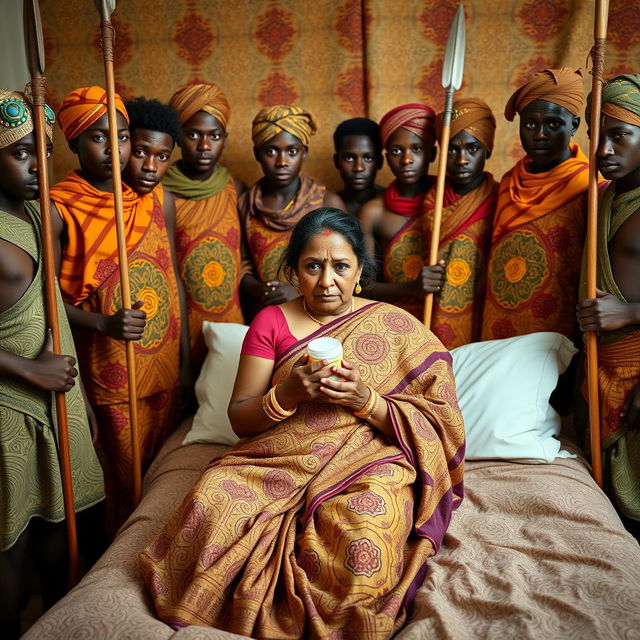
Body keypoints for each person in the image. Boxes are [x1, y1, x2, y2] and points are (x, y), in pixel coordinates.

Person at [140, 208, 464, 638]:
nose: (327, 280)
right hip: (275, 458)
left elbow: (438, 422)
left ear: (360, 272)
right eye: (313, 266)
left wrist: (366, 400)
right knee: (211, 499)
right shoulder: (271, 321)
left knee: (365, 528)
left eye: (341, 267)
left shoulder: (395, 325)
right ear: (295, 271)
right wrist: (286, 394)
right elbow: (240, 418)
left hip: (369, 461)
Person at [50, 87, 182, 533]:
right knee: (126, 483)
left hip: (163, 361)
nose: (115, 149)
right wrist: (102, 322)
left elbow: (169, 274)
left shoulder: (152, 198)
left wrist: (182, 350)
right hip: (111, 368)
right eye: (98, 137)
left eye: (122, 137)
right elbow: (46, 302)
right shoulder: (58, 209)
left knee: (164, 476)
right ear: (73, 143)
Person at [0, 89, 104, 638]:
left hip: (60, 394)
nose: (39, 164)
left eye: (44, 150)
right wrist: (29, 371)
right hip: (8, 406)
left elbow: (52, 310)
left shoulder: (47, 216)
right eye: (21, 152)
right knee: (10, 560)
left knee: (62, 541)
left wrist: (79, 392)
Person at [481, 68, 589, 341]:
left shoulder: (588, 186)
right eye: (530, 124)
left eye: (553, 124)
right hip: (498, 325)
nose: (540, 134)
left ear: (574, 125)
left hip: (555, 332)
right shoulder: (509, 182)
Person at [577, 74, 640, 534]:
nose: (603, 150)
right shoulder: (602, 198)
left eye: (619, 135)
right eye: (596, 136)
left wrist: (630, 312)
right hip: (600, 369)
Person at [163, 83, 247, 370]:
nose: (204, 146)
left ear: (225, 138)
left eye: (214, 136)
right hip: (180, 326)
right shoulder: (160, 194)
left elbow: (244, 260)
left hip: (231, 324)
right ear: (178, 138)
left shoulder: (235, 189)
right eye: (193, 135)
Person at [239, 105, 345, 314]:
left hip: (320, 314)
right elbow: (242, 266)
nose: (282, 162)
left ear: (304, 153)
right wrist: (262, 290)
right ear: (257, 154)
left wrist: (298, 289)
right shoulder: (247, 204)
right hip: (266, 313)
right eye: (271, 151)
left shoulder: (326, 202)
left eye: (292, 151)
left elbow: (344, 267)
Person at [122, 96, 191, 395]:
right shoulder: (96, 203)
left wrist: (185, 358)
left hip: (164, 347)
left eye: (162, 157)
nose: (151, 166)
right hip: (118, 355)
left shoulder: (164, 201)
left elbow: (172, 277)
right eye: (140, 152)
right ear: (123, 146)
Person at [423, 98, 498, 348]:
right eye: (452, 149)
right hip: (434, 313)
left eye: (472, 149)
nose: (462, 159)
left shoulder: (501, 198)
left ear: (487, 149)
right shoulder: (430, 200)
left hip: (483, 311)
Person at [358, 103, 439, 319]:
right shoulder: (374, 212)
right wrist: (412, 288)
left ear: (433, 154)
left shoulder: (449, 202)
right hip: (395, 320)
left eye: (417, 148)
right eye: (396, 151)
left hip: (448, 315)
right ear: (386, 158)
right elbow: (363, 286)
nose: (407, 160)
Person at [333, 117, 384, 217]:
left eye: (368, 158)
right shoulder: (328, 205)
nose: (358, 168)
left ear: (380, 162)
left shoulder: (392, 204)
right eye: (349, 158)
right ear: (336, 161)